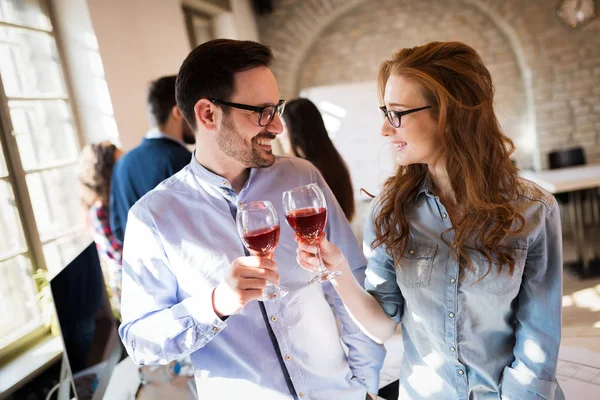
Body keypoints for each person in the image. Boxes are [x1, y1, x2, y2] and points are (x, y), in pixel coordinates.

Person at [295, 41, 564, 399]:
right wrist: (339, 270)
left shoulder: (533, 210)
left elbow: (539, 342)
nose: (385, 130)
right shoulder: (389, 212)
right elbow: (381, 326)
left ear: (450, 114)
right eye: (385, 112)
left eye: (397, 113)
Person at [118, 39, 385, 399]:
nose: (277, 127)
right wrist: (214, 304)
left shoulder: (302, 179)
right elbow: (139, 341)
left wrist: (365, 384)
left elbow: (349, 279)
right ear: (208, 114)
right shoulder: (154, 218)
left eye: (276, 109)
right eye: (261, 112)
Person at [109, 75, 195, 244]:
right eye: (192, 111)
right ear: (178, 112)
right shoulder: (183, 161)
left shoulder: (122, 164)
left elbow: (118, 230)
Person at [280, 98, 355, 222]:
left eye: (284, 128)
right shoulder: (332, 162)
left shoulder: (308, 173)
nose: (279, 135)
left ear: (296, 132)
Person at [79, 141, 123, 307]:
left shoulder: (114, 202)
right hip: (129, 289)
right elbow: (120, 255)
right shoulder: (99, 212)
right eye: (119, 165)